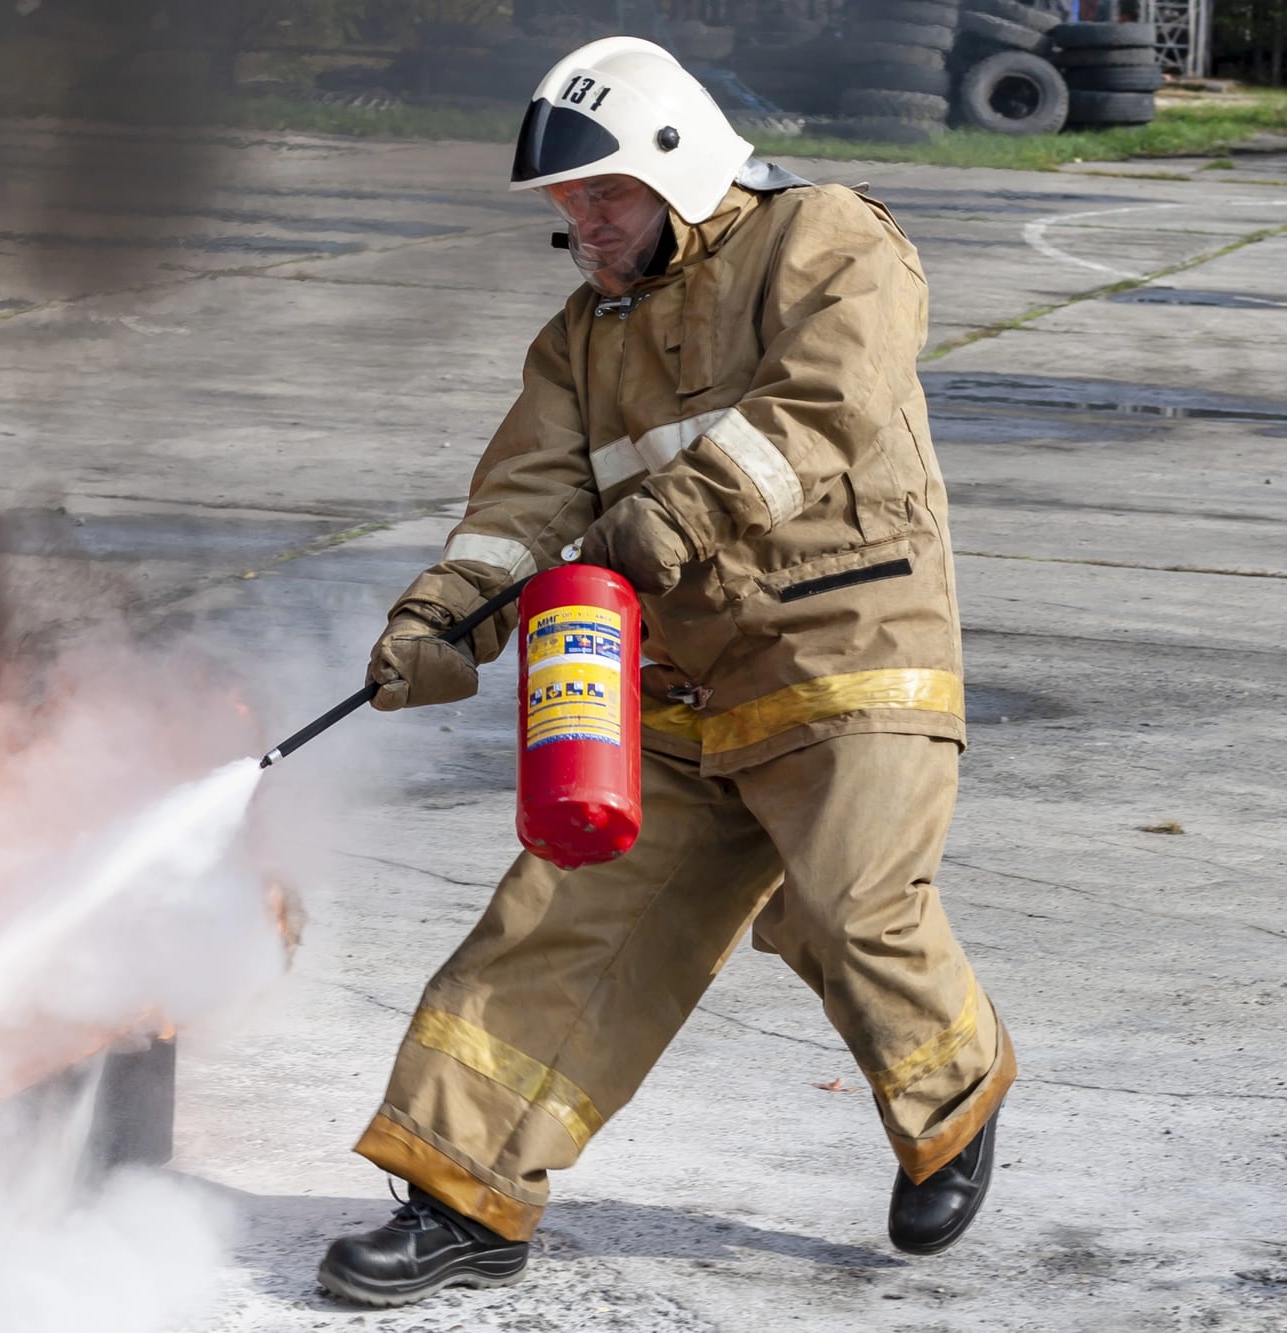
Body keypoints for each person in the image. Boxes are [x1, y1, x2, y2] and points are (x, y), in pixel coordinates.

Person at [319, 35, 1015, 1308]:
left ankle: (953, 1099)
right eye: (566, 205)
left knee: (845, 907)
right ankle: (462, 1195)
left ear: (682, 167)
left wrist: (672, 513)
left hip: (847, 650)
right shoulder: (580, 341)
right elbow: (521, 504)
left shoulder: (823, 236)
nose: (580, 224)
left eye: (604, 195)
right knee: (556, 923)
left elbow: (827, 399)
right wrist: (436, 622)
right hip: (683, 684)